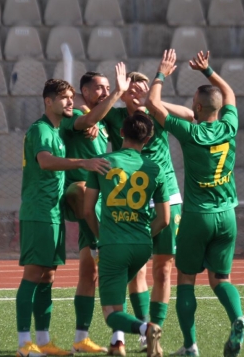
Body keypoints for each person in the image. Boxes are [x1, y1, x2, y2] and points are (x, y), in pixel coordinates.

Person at [76, 72, 194, 351]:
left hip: (165, 196)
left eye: (142, 90)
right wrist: (93, 110)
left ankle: (150, 330)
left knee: (163, 269)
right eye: (132, 90)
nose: (137, 94)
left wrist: (156, 101)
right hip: (133, 200)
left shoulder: (157, 113)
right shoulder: (116, 117)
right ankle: (138, 332)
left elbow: (190, 114)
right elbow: (88, 112)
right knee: (135, 269)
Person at [146, 50, 244, 357]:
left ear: (198, 107)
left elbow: (152, 105)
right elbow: (228, 92)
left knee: (186, 279)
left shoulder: (190, 132)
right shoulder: (230, 126)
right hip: (228, 215)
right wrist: (208, 71)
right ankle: (237, 318)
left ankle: (190, 346)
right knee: (221, 279)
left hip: (197, 216)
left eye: (193, 101)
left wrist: (162, 73)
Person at [16, 79, 111, 357]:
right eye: (64, 98)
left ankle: (43, 342)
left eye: (71, 97)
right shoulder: (41, 129)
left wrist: (89, 121)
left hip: (53, 212)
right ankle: (24, 344)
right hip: (39, 212)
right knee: (33, 275)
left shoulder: (58, 131)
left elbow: (83, 120)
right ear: (48, 101)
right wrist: (83, 163)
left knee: (48, 276)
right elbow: (45, 161)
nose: (70, 102)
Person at [84, 112, 170, 357]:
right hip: (142, 245)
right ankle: (117, 345)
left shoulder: (102, 161)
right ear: (149, 138)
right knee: (120, 289)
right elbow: (163, 219)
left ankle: (147, 328)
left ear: (121, 133)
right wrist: (143, 234)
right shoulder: (155, 168)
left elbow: (87, 210)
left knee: (110, 314)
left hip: (114, 243)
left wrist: (102, 237)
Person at [59, 64, 130, 354]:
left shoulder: (99, 123)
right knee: (81, 189)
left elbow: (101, 122)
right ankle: (121, 336)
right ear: (83, 92)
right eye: (98, 87)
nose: (103, 92)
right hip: (82, 195)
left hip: (103, 199)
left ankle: (81, 338)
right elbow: (86, 118)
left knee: (89, 273)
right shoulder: (75, 115)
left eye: (106, 87)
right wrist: (117, 92)